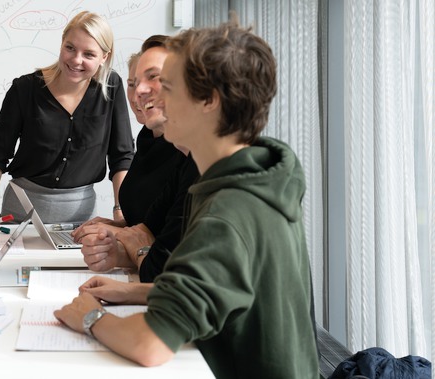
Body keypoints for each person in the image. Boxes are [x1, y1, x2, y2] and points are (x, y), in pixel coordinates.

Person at [54, 20, 319, 378]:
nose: (155, 99)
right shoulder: (253, 175)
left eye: (169, 87)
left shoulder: (228, 213)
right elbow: (223, 288)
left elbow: (150, 345)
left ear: (208, 101)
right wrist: (135, 292)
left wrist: (88, 316)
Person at [0, 10, 134, 231]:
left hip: (81, 221)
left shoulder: (111, 87)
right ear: (62, 43)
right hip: (20, 216)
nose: (76, 60)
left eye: (88, 54)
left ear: (104, 57)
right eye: (70, 48)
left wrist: (121, 211)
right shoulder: (25, 89)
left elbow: (122, 156)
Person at [72, 35, 199, 282]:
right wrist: (120, 247)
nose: (137, 93)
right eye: (133, 83)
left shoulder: (206, 165)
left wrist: (93, 319)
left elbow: (162, 270)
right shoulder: (166, 147)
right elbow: (146, 231)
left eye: (154, 77)